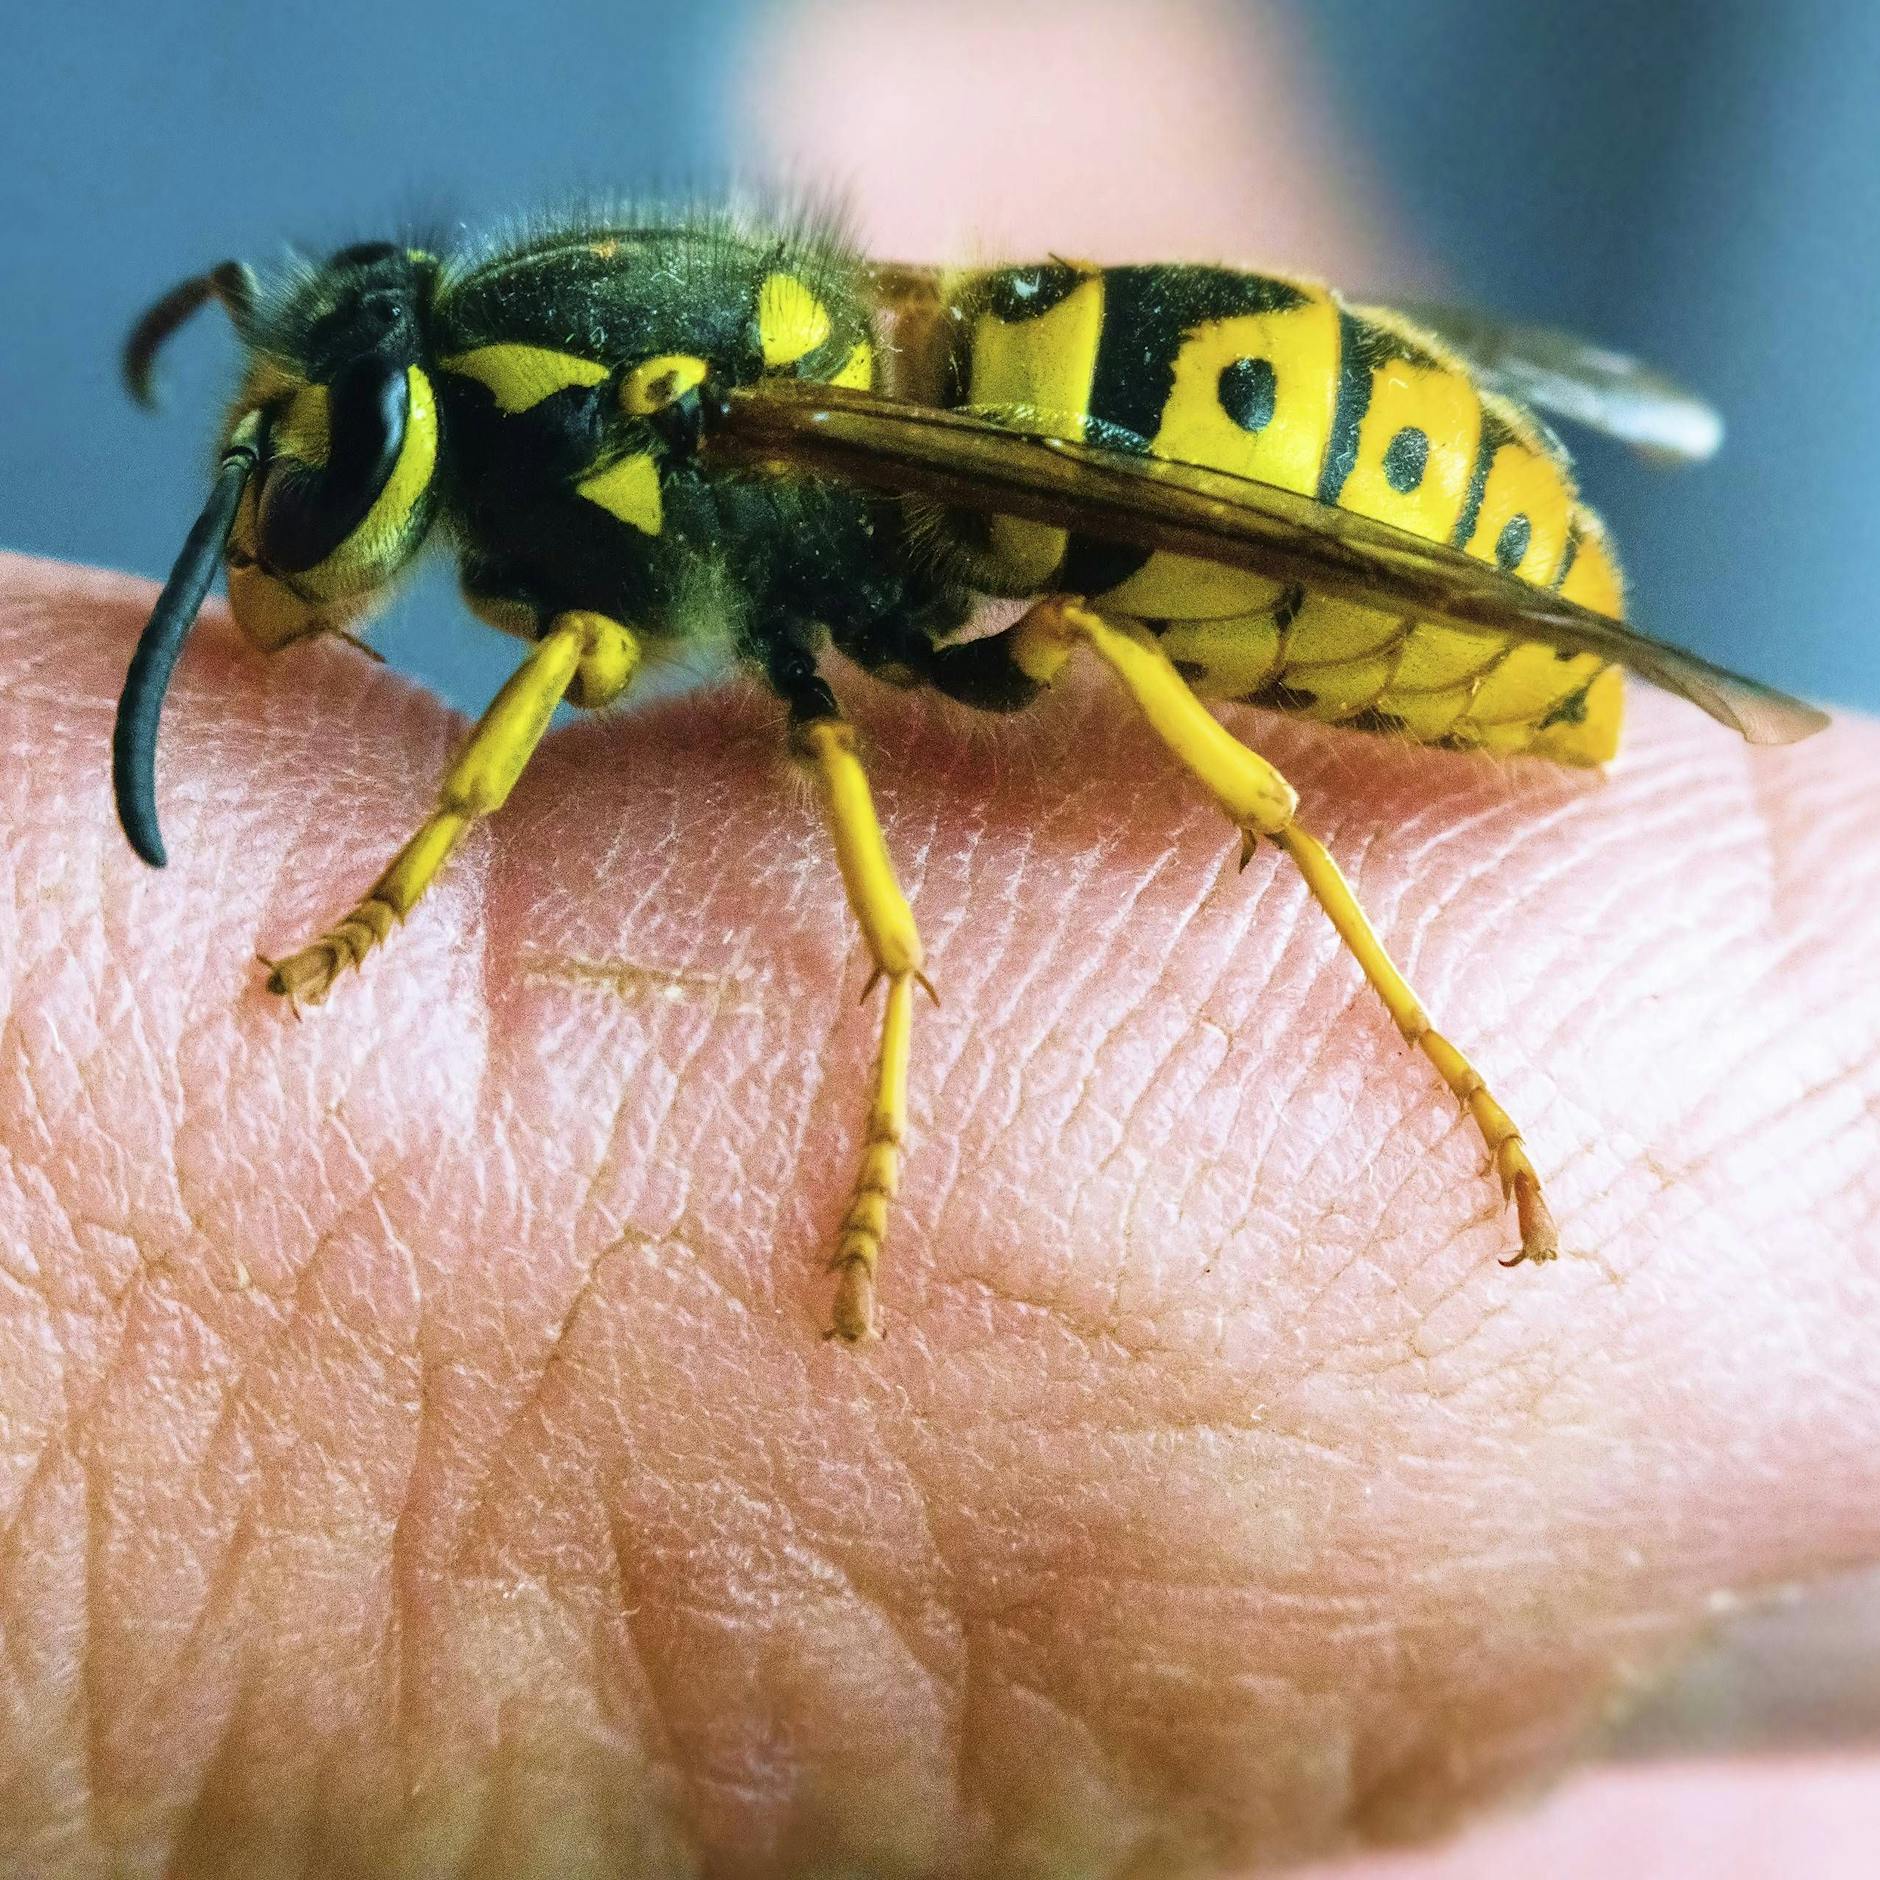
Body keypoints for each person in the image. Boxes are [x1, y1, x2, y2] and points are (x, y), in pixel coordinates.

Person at [3, 4, 1875, 1873]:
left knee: (1075, 636)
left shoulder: (720, 441)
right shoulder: (694, 378)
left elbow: (661, 670)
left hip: (1303, 510)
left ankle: (1411, 1024)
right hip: (1129, 390)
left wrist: (397, 901)